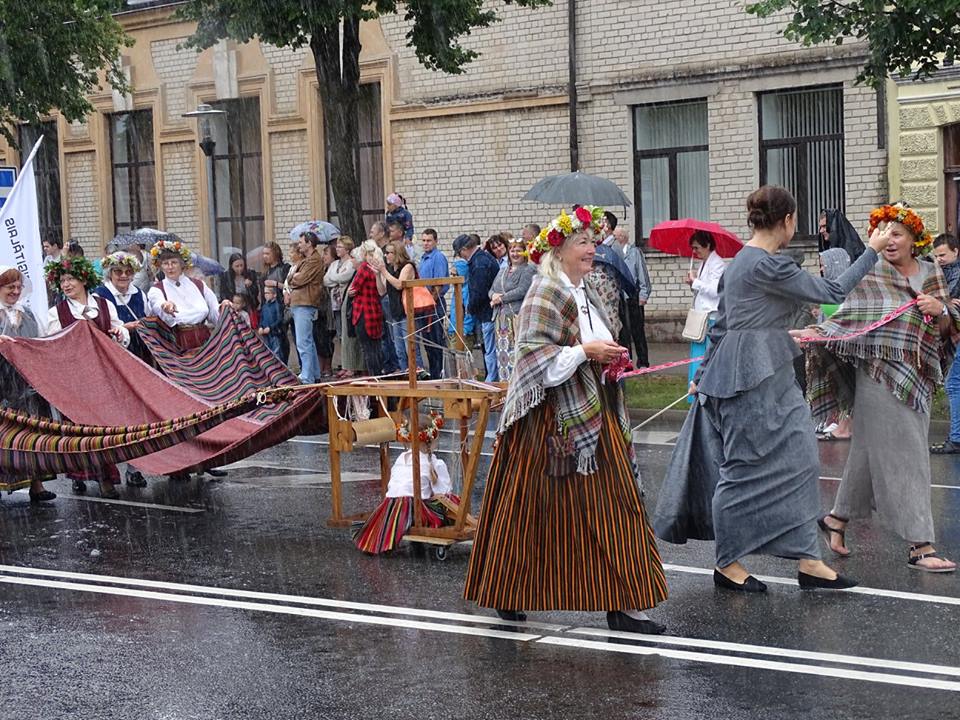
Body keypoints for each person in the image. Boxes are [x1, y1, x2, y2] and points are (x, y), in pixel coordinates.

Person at [670, 185, 886, 593]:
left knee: (801, 460)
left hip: (764, 369)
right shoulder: (764, 265)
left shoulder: (741, 264)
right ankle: (728, 563)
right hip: (749, 375)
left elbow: (720, 323)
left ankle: (808, 560)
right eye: (795, 220)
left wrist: (704, 372)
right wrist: (870, 251)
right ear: (786, 220)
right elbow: (833, 292)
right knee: (742, 470)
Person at [464, 205, 667, 634]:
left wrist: (609, 356)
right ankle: (507, 590)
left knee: (617, 505)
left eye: (593, 241)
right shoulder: (545, 291)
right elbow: (534, 360)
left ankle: (625, 604)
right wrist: (585, 353)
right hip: (551, 420)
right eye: (582, 243)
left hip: (594, 407)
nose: (592, 249)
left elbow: (597, 340)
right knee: (529, 512)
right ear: (560, 251)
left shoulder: (585, 289)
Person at [806, 204, 957, 572]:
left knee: (865, 450)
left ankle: (835, 521)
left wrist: (940, 310)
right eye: (884, 233)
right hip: (876, 373)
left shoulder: (930, 271)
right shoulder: (871, 273)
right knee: (911, 456)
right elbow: (848, 319)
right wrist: (818, 334)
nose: (889, 241)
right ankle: (920, 545)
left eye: (897, 234)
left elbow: (944, 332)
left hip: (916, 375)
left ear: (914, 239)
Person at [45, 255, 130, 498]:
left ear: (84, 279)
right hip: (75, 378)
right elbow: (52, 345)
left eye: (70, 278)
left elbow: (121, 331)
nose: (66, 284)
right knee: (78, 428)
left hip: (103, 376)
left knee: (102, 427)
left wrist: (118, 333)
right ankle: (79, 475)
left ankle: (106, 477)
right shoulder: (56, 312)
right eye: (62, 281)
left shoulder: (103, 305)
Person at [0, 266, 57, 503]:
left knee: (32, 430)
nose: (15, 291)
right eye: (9, 287)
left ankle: (37, 483)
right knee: (5, 434)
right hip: (2, 384)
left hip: (27, 382)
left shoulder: (29, 313)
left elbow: (41, 341)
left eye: (18, 287)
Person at [146, 239, 227, 351]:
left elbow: (214, 312)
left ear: (182, 264)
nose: (170, 267)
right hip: (177, 342)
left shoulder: (199, 285)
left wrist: (224, 307)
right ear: (161, 266)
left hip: (204, 340)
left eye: (174, 262)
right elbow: (157, 304)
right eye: (165, 264)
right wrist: (165, 305)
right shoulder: (157, 289)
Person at [93, 251, 152, 366]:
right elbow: (99, 331)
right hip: (115, 353)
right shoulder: (99, 296)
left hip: (140, 351)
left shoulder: (139, 294)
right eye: (118, 271)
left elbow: (148, 317)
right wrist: (125, 328)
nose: (124, 276)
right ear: (110, 274)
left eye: (128, 272)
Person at [489, 237, 535, 382]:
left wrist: (501, 298)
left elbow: (522, 290)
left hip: (516, 317)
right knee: (503, 355)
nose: (515, 254)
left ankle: (518, 384)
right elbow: (491, 289)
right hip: (500, 319)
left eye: (518, 251)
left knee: (516, 353)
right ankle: (504, 385)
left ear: (525, 253)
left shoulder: (528, 270)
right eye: (512, 250)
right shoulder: (502, 270)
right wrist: (493, 295)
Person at [457, 233, 500, 382]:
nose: (461, 257)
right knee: (489, 348)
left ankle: (492, 380)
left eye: (460, 253)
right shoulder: (483, 258)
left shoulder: (479, 263)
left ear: (464, 249)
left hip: (488, 313)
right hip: (488, 311)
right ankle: (492, 378)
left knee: (490, 349)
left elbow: (479, 290)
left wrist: (471, 308)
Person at [931, 233, 960, 454]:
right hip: (953, 335)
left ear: (955, 251)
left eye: (943, 255)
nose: (939, 259)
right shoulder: (941, 272)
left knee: (953, 383)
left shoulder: (956, 274)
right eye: (936, 255)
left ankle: (957, 438)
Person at [685, 229, 725, 389]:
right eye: (693, 248)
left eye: (697, 248)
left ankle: (705, 388)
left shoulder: (718, 264)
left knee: (707, 356)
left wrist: (696, 282)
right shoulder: (703, 264)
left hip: (711, 316)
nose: (694, 252)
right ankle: (696, 387)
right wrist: (692, 283)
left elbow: (716, 290)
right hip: (701, 316)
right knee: (697, 356)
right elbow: (701, 291)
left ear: (707, 245)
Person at [376, 241, 424, 372]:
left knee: (411, 349)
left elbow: (399, 284)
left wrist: (384, 271)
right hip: (395, 312)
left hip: (407, 312)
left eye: (389, 253)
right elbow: (382, 291)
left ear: (397, 253)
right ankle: (405, 376)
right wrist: (377, 274)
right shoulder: (391, 269)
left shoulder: (408, 267)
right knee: (399, 350)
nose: (386, 256)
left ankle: (419, 377)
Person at [287, 232, 326, 384]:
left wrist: (294, 276)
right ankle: (314, 373)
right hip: (300, 302)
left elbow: (300, 279)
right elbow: (292, 278)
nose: (299, 245)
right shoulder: (307, 260)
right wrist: (293, 276)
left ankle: (307, 376)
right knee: (307, 340)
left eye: (301, 242)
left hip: (306, 302)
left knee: (303, 341)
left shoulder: (314, 260)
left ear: (309, 243)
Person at [324, 236, 363, 378]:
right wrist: (336, 278)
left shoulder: (351, 263)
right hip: (335, 304)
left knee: (349, 335)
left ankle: (353, 365)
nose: (337, 249)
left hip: (347, 303)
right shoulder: (334, 264)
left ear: (347, 249)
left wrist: (334, 278)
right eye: (337, 246)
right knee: (340, 335)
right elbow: (325, 280)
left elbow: (344, 277)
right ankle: (345, 364)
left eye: (340, 247)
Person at [347, 240, 387, 376]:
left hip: (363, 312)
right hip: (375, 311)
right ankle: (379, 375)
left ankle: (374, 377)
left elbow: (354, 288)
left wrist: (349, 292)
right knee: (376, 347)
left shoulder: (364, 267)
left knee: (367, 349)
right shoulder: (378, 267)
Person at [417, 229, 450, 380]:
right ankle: (434, 375)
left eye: (429, 240)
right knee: (428, 343)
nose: (426, 243)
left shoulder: (438, 257)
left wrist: (431, 301)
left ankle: (441, 375)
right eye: (423, 240)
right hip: (423, 305)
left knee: (437, 343)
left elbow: (439, 283)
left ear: (435, 241)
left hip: (434, 305)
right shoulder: (423, 258)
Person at [617, 226, 651, 367]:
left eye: (616, 236)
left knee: (638, 330)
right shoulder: (615, 253)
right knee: (624, 332)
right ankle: (627, 362)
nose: (614, 239)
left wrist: (643, 295)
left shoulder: (634, 252)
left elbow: (642, 274)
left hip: (634, 295)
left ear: (622, 238)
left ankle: (643, 361)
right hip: (620, 296)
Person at [260, 242, 291, 363]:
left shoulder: (285, 268)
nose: (265, 256)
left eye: (268, 253)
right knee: (269, 338)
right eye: (263, 254)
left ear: (275, 253)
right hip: (268, 307)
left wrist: (275, 284)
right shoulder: (265, 271)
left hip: (281, 305)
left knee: (281, 336)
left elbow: (289, 287)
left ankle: (284, 363)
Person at [258, 284, 283, 357]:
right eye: (264, 293)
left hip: (275, 334)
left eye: (267, 293)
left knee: (276, 353)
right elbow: (262, 318)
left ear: (274, 294)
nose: (265, 295)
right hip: (265, 334)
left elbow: (279, 319)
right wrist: (260, 327)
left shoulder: (277, 305)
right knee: (267, 353)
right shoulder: (264, 306)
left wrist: (270, 327)